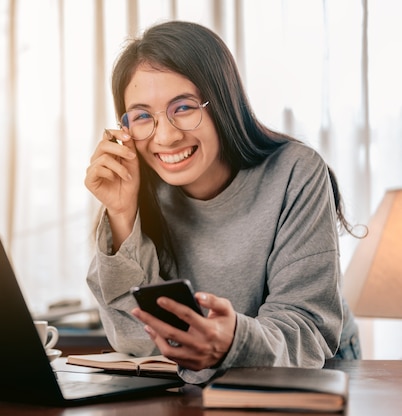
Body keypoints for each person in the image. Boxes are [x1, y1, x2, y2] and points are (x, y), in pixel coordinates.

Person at [84, 20, 361, 384]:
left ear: (224, 102)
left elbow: (306, 331)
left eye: (182, 107)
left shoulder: (295, 171)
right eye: (142, 117)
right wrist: (122, 214)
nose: (165, 136)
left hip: (312, 376)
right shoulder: (140, 188)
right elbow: (137, 341)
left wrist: (232, 342)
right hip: (202, 386)